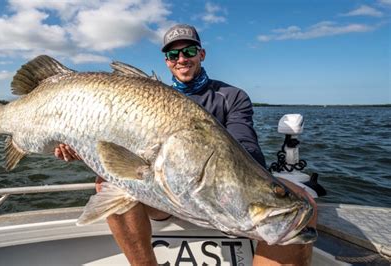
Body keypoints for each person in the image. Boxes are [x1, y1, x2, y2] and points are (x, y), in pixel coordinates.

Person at [55, 24, 317, 266]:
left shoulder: (231, 96)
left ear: (201, 54)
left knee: (305, 203)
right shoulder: (147, 97)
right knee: (108, 179)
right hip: (161, 193)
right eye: (173, 55)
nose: (182, 59)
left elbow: (245, 149)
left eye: (189, 51)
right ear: (167, 62)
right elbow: (110, 149)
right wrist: (82, 150)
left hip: (215, 198)